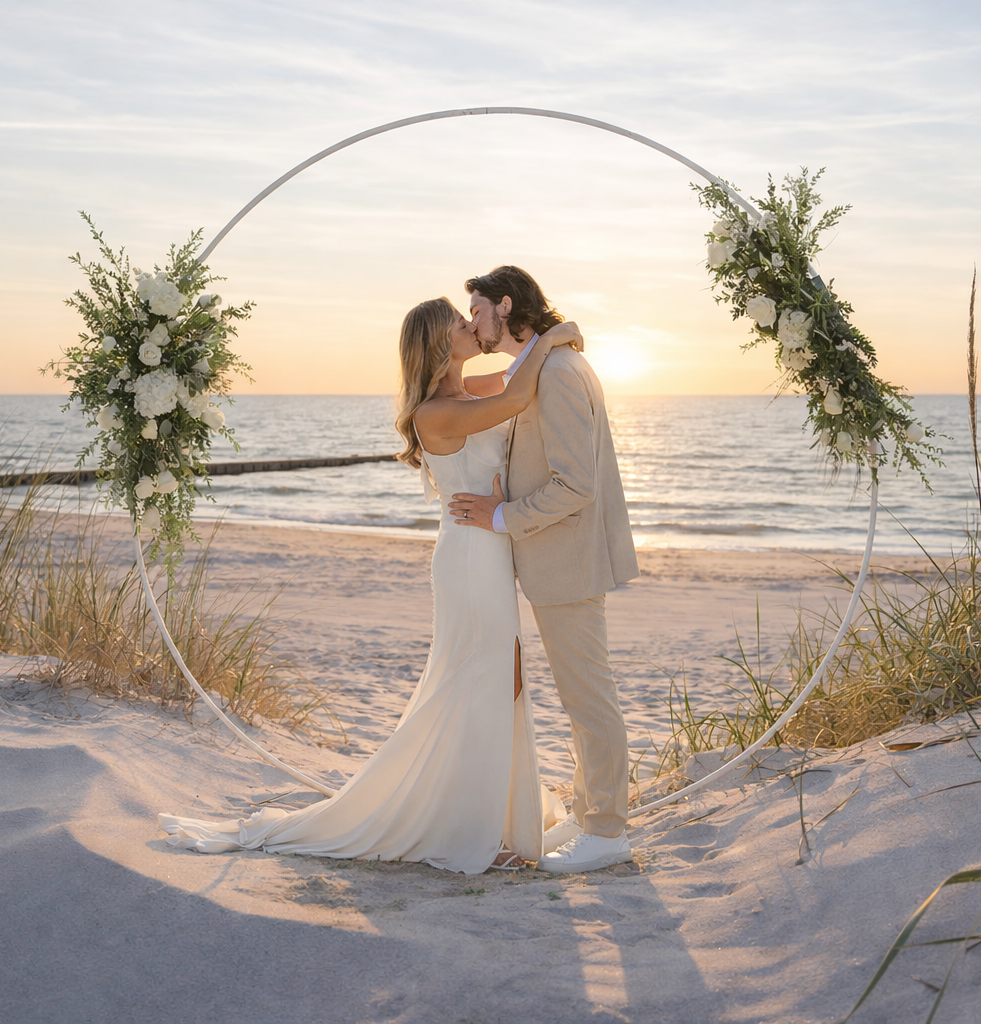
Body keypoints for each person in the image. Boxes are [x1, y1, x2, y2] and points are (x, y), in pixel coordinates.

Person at [159, 298, 580, 873]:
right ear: (437, 344)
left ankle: (499, 819)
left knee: (502, 682)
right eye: (460, 323)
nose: (470, 328)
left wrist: (544, 341)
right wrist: (560, 336)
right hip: (469, 560)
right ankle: (480, 832)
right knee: (482, 683)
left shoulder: (467, 389)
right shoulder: (435, 411)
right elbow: (516, 396)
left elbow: (512, 377)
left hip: (488, 552)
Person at [449, 266, 639, 873]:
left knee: (590, 698)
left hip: (568, 562)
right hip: (559, 563)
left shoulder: (556, 372)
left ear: (505, 306)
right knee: (581, 695)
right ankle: (588, 816)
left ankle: (608, 832)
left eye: (475, 308)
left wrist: (502, 514)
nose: (471, 321)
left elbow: (575, 485)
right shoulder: (544, 363)